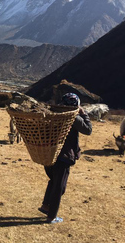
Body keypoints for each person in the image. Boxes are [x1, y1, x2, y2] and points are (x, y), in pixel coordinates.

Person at [38, 93, 92, 224]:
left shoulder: (54, 114)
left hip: (50, 154)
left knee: (53, 180)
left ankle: (46, 205)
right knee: (59, 186)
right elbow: (88, 130)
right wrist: (83, 113)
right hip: (64, 156)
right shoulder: (73, 117)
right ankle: (52, 216)